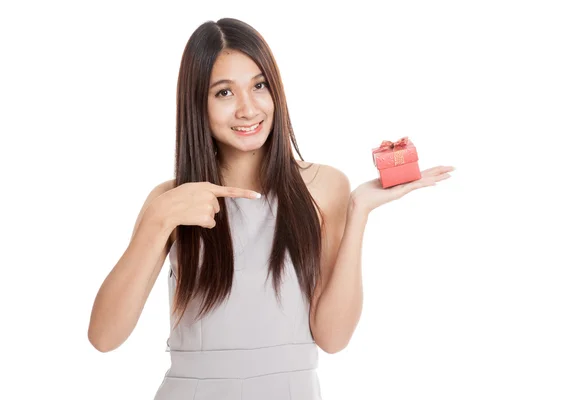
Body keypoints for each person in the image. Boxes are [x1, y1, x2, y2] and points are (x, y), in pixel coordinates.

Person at [87, 17, 454, 400]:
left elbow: (332, 338)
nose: (248, 109)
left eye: (259, 86)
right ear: (198, 103)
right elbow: (104, 337)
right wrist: (159, 221)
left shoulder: (323, 187)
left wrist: (359, 209)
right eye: (224, 93)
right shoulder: (172, 200)